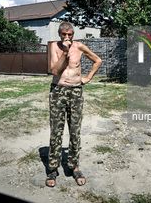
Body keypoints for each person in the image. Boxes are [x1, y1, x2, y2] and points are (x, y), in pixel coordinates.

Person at [46, 22, 102, 187]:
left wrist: (88, 78)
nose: (67, 37)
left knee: (75, 131)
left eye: (69, 34)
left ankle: (74, 166)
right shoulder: (54, 47)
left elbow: (97, 60)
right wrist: (64, 51)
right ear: (59, 33)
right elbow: (55, 70)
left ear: (73, 34)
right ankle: (53, 168)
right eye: (64, 34)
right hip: (58, 91)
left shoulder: (79, 46)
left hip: (76, 92)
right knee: (56, 131)